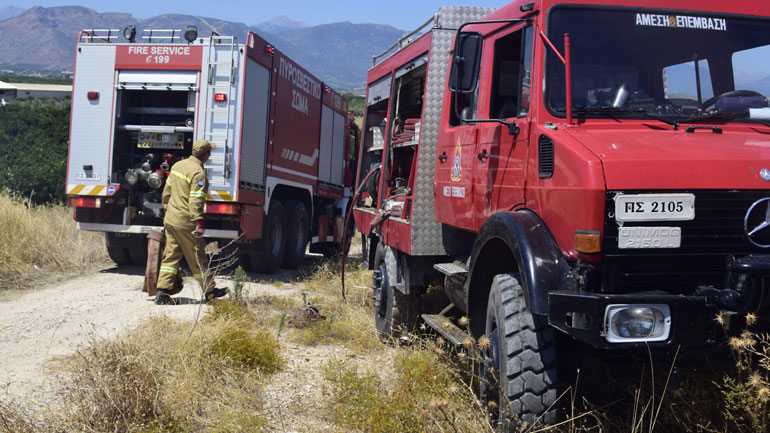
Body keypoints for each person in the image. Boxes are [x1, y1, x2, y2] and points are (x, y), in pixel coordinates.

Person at [155, 139, 228, 305]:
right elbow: (195, 201)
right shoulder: (198, 174)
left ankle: (162, 291)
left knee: (171, 255)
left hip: (171, 219)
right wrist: (199, 222)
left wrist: (167, 208)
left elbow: (167, 192)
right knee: (197, 257)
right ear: (206, 155)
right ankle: (210, 292)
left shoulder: (178, 166)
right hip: (186, 221)